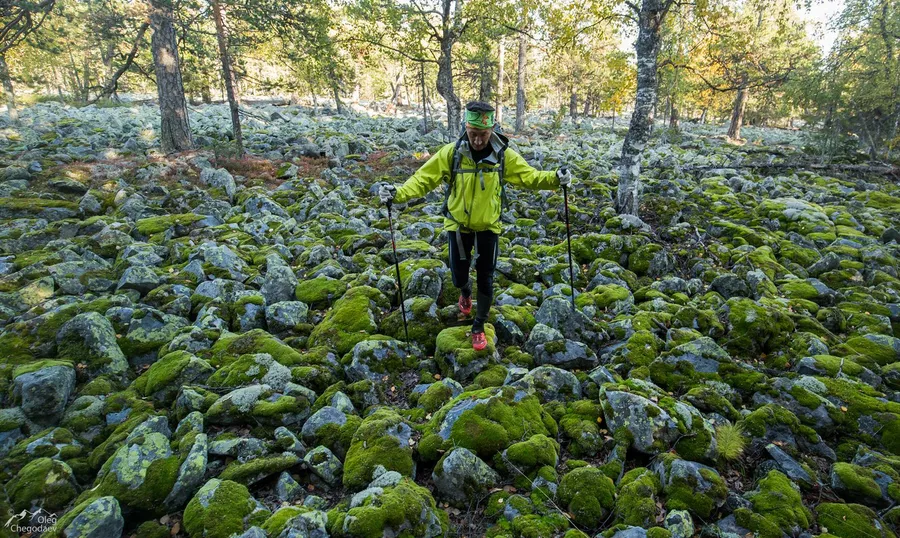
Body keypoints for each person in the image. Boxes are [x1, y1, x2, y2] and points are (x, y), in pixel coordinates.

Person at [379, 101, 573, 350]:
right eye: (473, 135)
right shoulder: (451, 154)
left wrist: (557, 179)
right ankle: (465, 292)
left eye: (483, 135)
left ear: (492, 130)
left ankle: (478, 326)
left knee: (487, 277)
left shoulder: (503, 156)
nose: (478, 141)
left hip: (488, 227)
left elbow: (530, 177)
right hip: (458, 225)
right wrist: (397, 193)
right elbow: (423, 180)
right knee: (458, 275)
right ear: (465, 129)